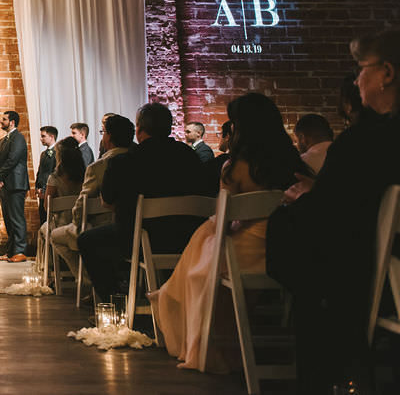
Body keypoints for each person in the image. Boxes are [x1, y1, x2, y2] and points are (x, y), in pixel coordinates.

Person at [268, 30, 400, 392]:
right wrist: (323, 192)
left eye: (361, 68)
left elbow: (334, 219)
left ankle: (329, 380)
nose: (357, 79)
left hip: (368, 280)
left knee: (303, 257)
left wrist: (307, 197)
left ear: (386, 73)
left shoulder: (363, 142)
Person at [150, 93, 307, 372]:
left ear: (241, 128)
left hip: (247, 256)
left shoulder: (234, 168)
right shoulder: (294, 162)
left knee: (206, 245)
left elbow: (224, 221)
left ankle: (175, 303)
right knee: (205, 244)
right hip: (291, 250)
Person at [77, 102, 219, 300]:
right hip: (189, 238)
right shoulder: (189, 157)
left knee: (88, 240)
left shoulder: (125, 161)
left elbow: (108, 202)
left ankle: (115, 300)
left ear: (139, 129)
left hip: (140, 240)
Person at [49, 114, 134, 281]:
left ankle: (89, 280)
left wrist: (78, 224)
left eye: (103, 132)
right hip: (138, 228)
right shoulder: (140, 160)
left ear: (109, 136)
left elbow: (81, 206)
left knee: (55, 236)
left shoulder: (99, 167)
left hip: (102, 228)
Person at [33, 136, 85, 275]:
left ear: (60, 156)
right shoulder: (85, 175)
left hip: (61, 223)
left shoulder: (55, 178)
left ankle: (47, 271)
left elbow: (47, 207)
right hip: (82, 223)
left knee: (43, 231)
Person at [0, 110, 29, 263]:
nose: (1, 122)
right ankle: (10, 251)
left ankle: (20, 251)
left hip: (16, 183)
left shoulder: (18, 138)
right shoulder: (2, 140)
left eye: (4, 119)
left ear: (12, 122)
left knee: (17, 218)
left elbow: (13, 159)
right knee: (8, 218)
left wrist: (0, 175)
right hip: (5, 184)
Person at [35, 126, 59, 227]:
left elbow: (54, 173)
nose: (41, 139)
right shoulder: (43, 154)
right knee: (42, 219)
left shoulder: (58, 152)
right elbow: (40, 172)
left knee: (50, 221)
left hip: (50, 191)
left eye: (43, 136)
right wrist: (37, 187)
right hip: (41, 192)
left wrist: (45, 190)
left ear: (52, 136)